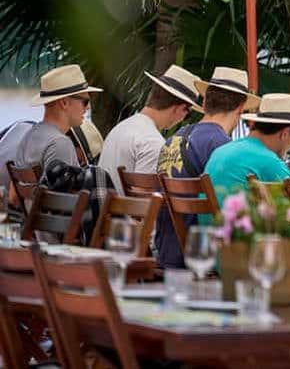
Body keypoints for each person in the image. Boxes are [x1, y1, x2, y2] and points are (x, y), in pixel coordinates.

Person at [155, 66, 259, 269]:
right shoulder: (222, 148)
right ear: (241, 108)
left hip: (166, 251)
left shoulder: (173, 138)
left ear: (204, 102)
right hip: (199, 255)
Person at [99, 65, 203, 193]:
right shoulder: (152, 142)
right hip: (124, 212)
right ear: (180, 108)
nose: (184, 118)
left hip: (103, 211)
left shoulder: (120, 128)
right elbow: (142, 203)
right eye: (188, 114)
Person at [204, 93, 290, 222]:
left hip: (207, 237)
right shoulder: (271, 163)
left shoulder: (220, 151)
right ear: (285, 133)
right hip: (242, 240)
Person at [14, 64, 103, 175]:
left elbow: (14, 190)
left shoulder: (29, 136)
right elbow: (63, 192)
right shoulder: (60, 143)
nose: (88, 107)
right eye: (84, 102)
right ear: (64, 103)